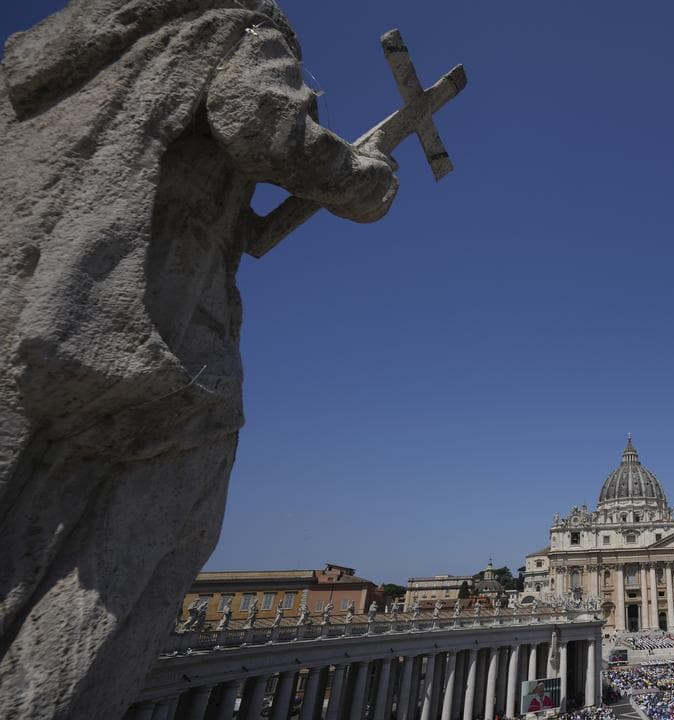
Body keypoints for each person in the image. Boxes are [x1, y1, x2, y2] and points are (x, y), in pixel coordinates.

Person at [0, 2, 397, 718]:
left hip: (28, 283)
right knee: (160, 520)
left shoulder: (70, 38)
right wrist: (363, 181)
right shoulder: (240, 19)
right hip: (150, 310)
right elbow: (259, 121)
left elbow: (201, 171)